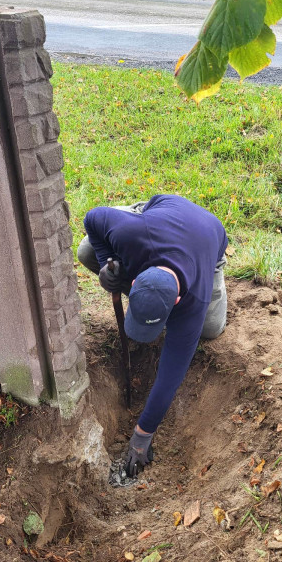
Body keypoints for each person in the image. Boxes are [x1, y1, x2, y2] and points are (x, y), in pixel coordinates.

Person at [78, 194, 228, 474]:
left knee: (211, 329)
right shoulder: (130, 235)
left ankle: (214, 269)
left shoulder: (194, 302)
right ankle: (139, 212)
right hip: (159, 215)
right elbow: (92, 217)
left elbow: (171, 376)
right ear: (135, 280)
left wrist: (143, 434)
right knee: (85, 251)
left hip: (209, 239)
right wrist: (106, 262)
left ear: (177, 302)